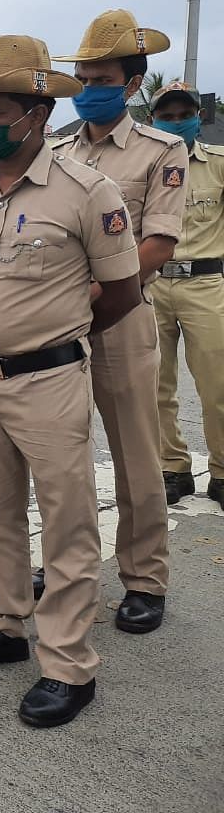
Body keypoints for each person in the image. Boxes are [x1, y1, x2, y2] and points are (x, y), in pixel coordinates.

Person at [0, 35, 142, 728]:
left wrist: (56, 340)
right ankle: (4, 626)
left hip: (49, 380)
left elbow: (121, 292)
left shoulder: (88, 189)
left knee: (67, 522)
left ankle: (67, 664)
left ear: (35, 113)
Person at [50, 10, 188, 633]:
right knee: (56, 456)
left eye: (101, 77)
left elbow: (159, 242)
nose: (88, 88)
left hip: (121, 317)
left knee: (135, 455)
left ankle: (144, 577)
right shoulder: (55, 150)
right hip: (52, 327)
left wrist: (94, 293)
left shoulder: (163, 149)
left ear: (131, 86)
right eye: (81, 77)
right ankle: (64, 567)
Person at [146, 81, 224, 509]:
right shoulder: (143, 166)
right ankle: (173, 468)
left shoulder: (218, 164)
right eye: (167, 116)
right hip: (153, 282)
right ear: (152, 120)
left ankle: (222, 472)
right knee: (156, 385)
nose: (177, 123)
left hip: (206, 283)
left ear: (199, 116)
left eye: (184, 115)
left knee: (218, 385)